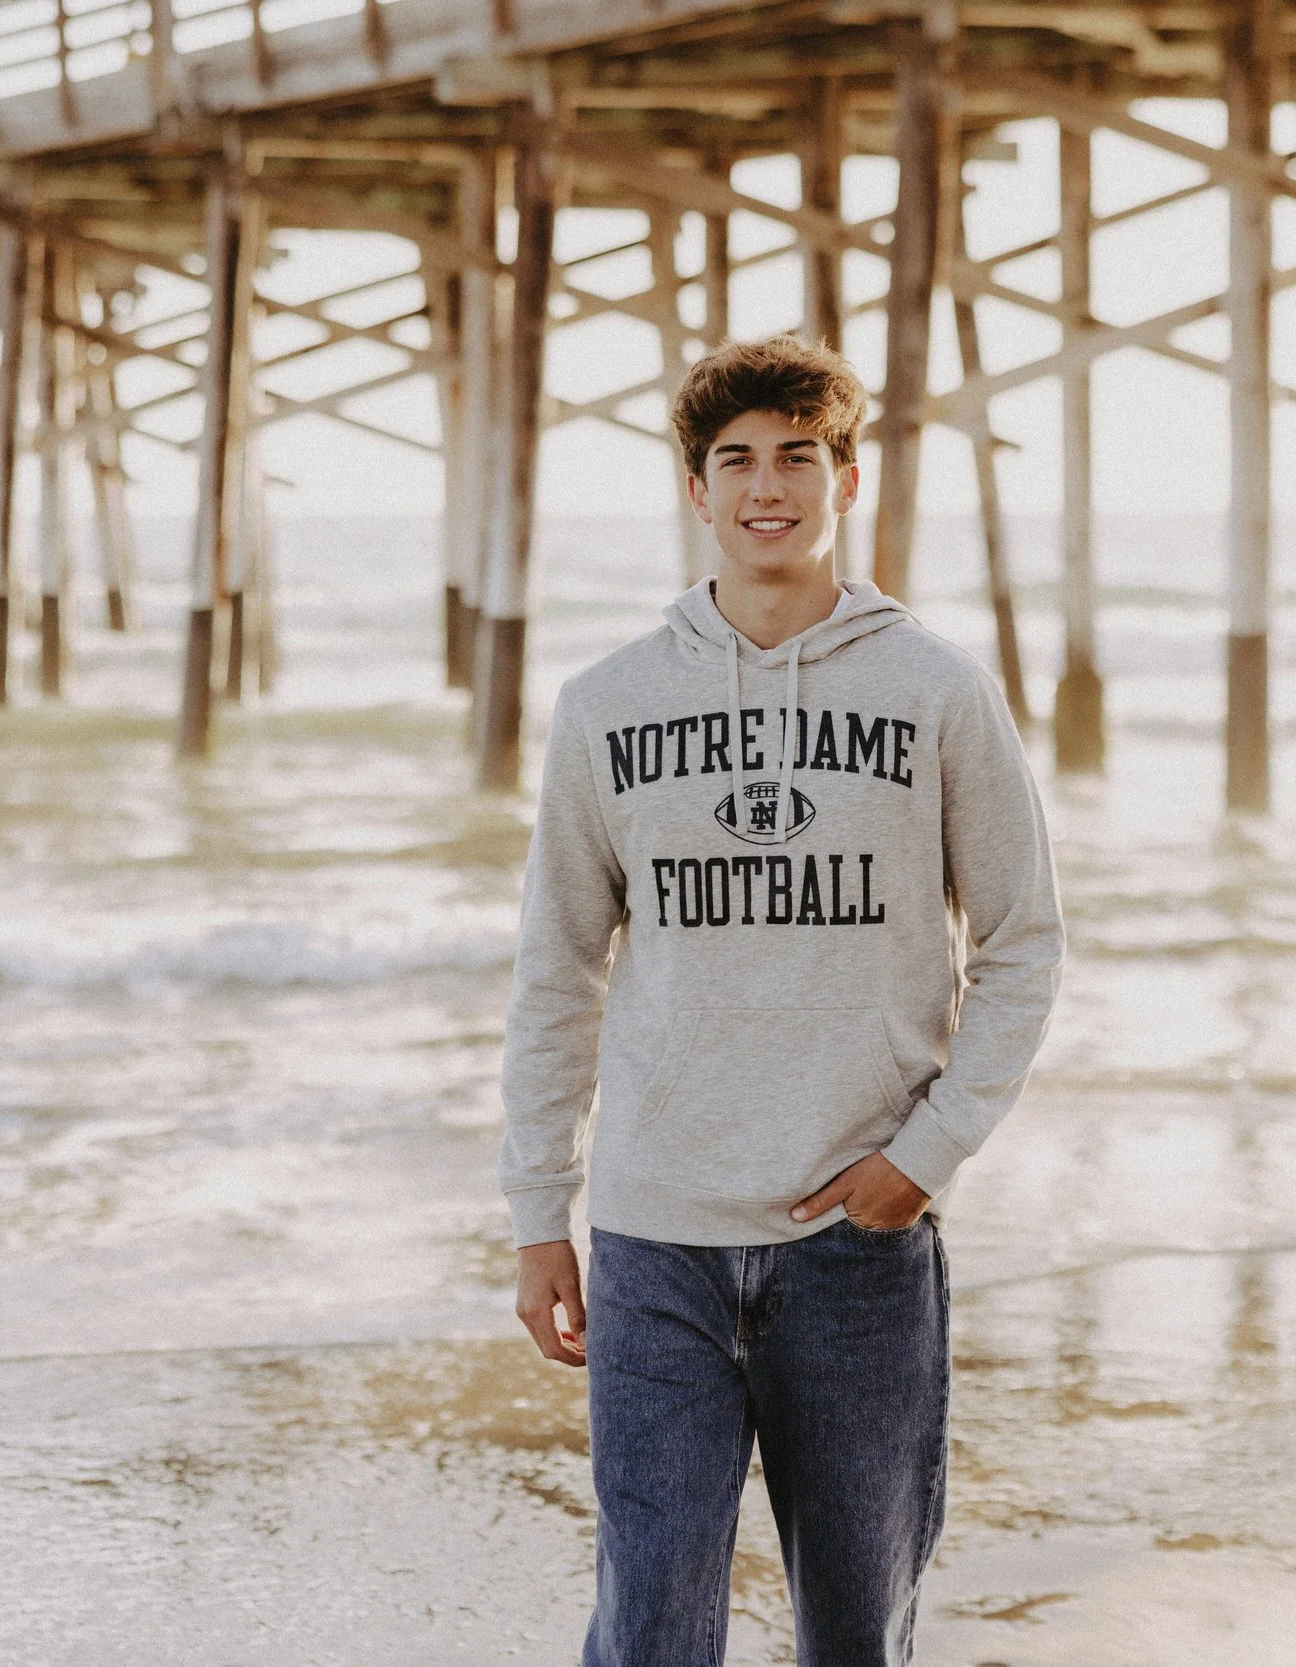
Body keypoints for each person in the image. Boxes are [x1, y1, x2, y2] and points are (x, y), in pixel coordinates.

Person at [499, 333, 1064, 1667]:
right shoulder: (607, 706)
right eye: (738, 460)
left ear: (845, 480)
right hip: (657, 1237)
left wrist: (924, 1156)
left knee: (857, 1634)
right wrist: (537, 1213)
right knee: (651, 1628)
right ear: (697, 489)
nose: (769, 486)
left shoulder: (936, 691)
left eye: (798, 458)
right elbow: (558, 971)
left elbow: (1024, 941)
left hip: (858, 1244)